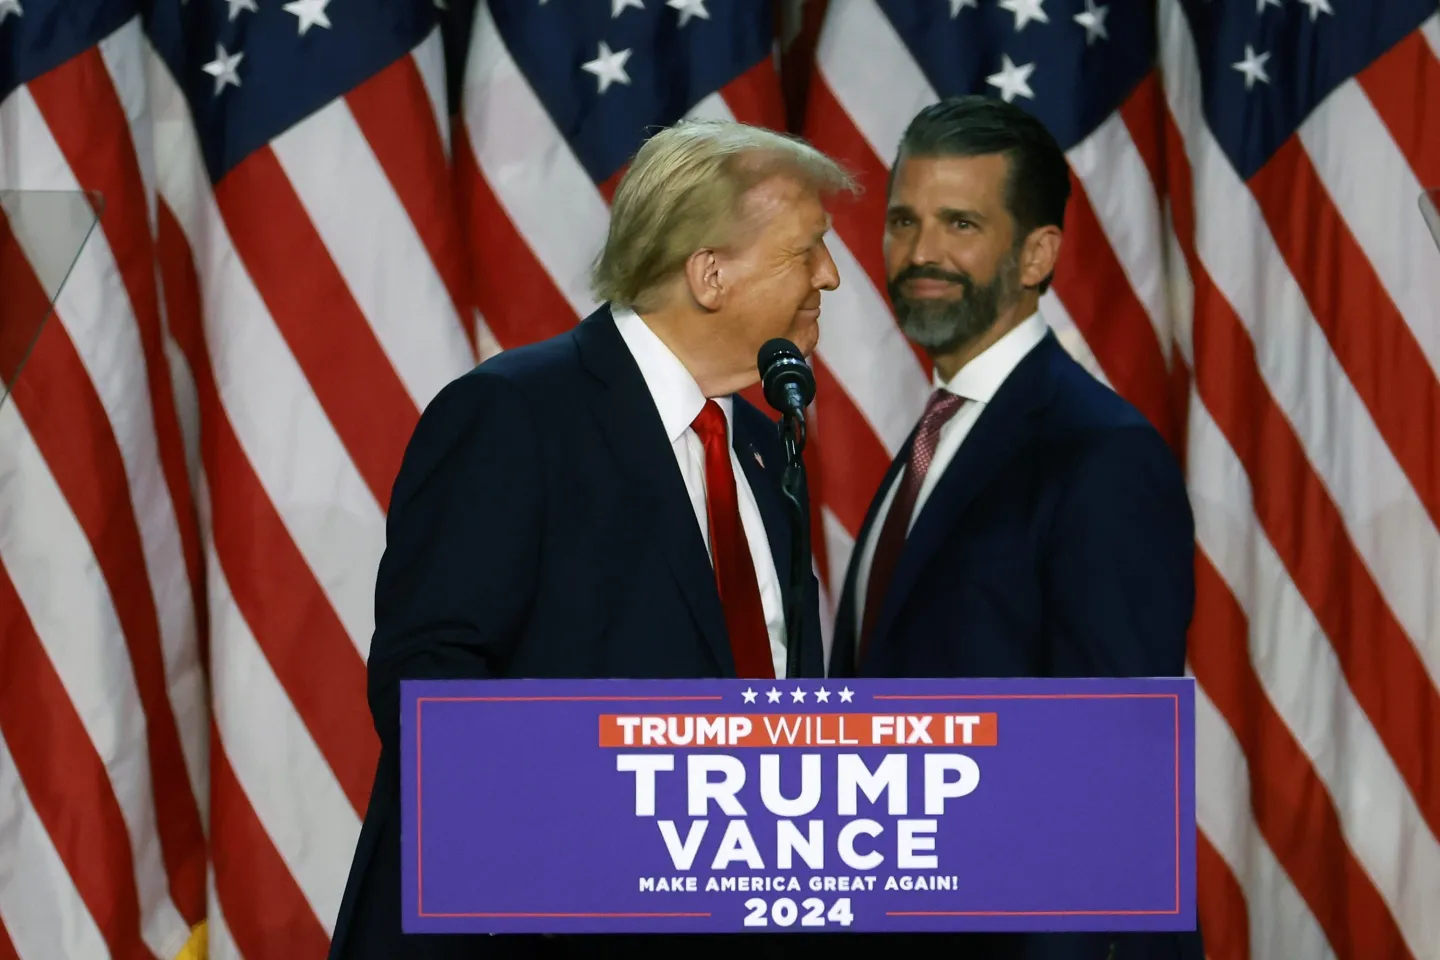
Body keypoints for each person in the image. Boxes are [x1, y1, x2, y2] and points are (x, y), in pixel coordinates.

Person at [325, 118, 852, 960]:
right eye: (806, 250)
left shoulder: (762, 450)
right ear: (709, 275)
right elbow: (430, 691)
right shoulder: (516, 417)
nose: (829, 274)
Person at [827, 96, 1203, 960]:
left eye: (961, 223)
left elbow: (1113, 774)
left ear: (1037, 253)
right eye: (904, 221)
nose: (921, 253)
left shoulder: (1098, 453)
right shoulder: (937, 436)